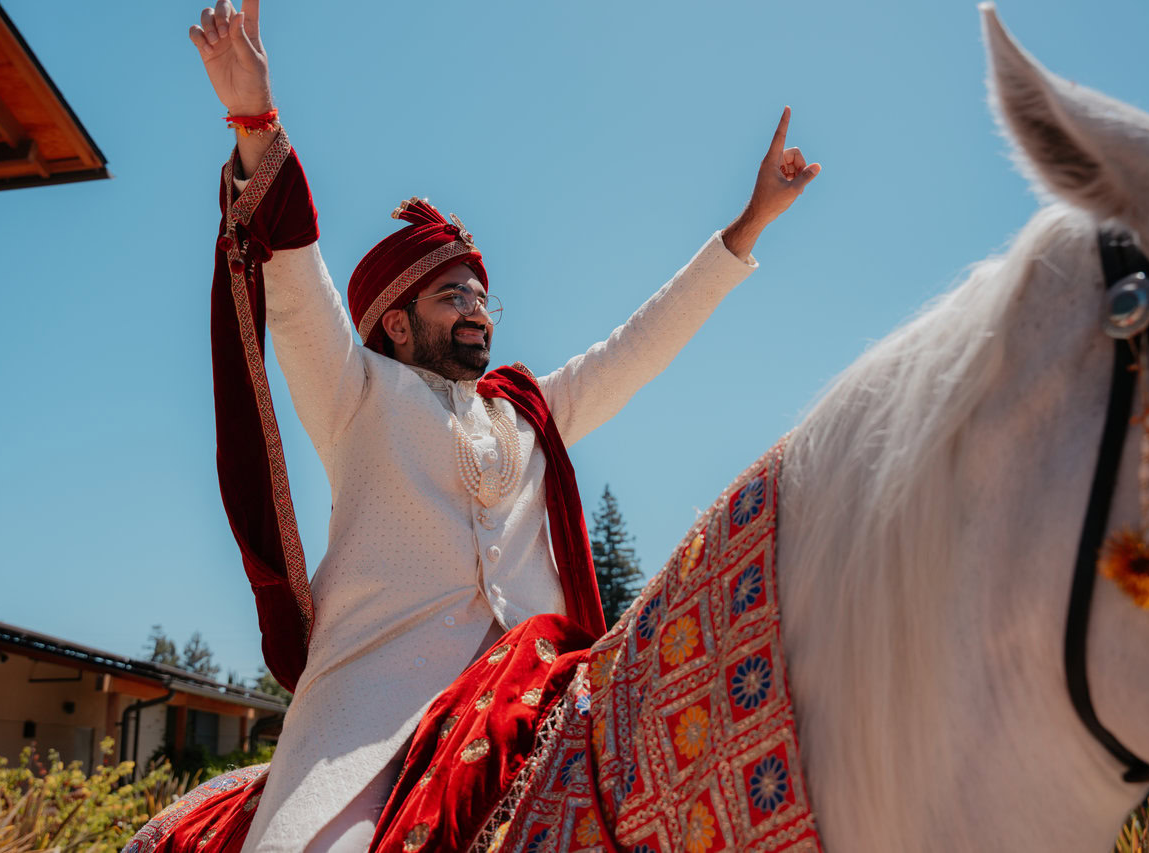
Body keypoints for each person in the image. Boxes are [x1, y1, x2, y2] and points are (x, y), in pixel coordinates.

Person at [187, 2, 819, 851]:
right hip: (375, 726)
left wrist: (748, 229)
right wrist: (256, 121)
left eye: (483, 296)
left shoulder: (526, 413)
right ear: (398, 325)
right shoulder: (356, 391)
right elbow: (296, 284)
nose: (479, 309)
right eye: (454, 295)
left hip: (540, 700)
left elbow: (637, 347)